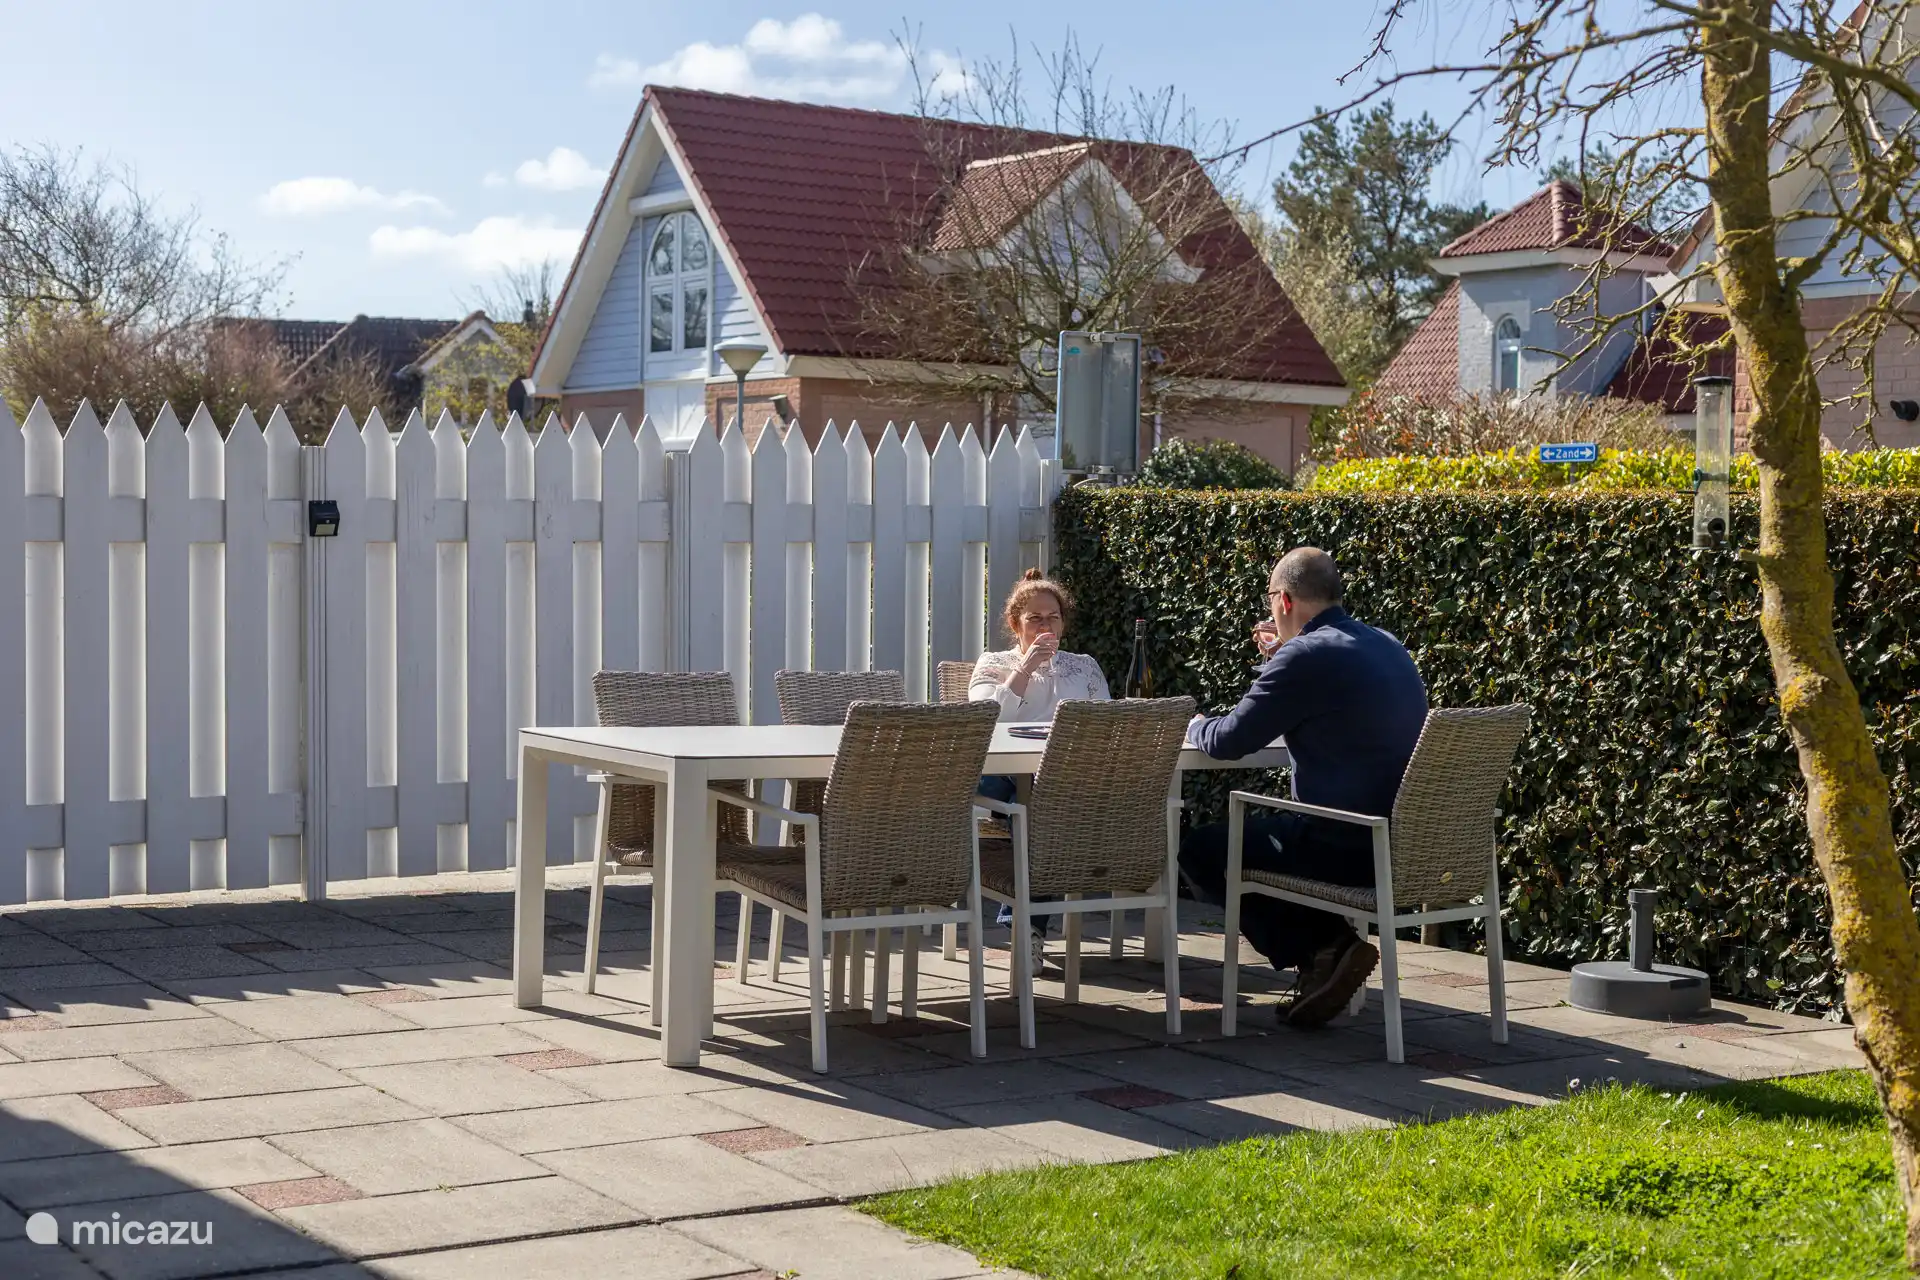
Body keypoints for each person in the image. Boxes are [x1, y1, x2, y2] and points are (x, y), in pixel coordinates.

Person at [1179, 546, 1429, 1028]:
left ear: (1285, 601)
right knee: (1247, 841)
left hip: (1345, 842)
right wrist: (1285, 658)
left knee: (1204, 849)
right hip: (1410, 842)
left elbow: (1229, 740)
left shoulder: (1306, 655)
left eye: (1270, 597)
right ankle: (1328, 949)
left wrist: (1194, 726)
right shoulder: (1385, 642)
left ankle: (1325, 947)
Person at [970, 568, 1111, 968]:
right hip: (1000, 776)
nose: (1045, 625)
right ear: (1016, 624)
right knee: (1037, 810)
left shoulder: (1083, 666)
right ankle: (1026, 929)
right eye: (1035, 618)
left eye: (1053, 617)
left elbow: (1103, 721)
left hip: (1063, 780)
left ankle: (1025, 930)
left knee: (1039, 811)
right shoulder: (995, 663)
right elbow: (984, 718)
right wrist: (1025, 668)